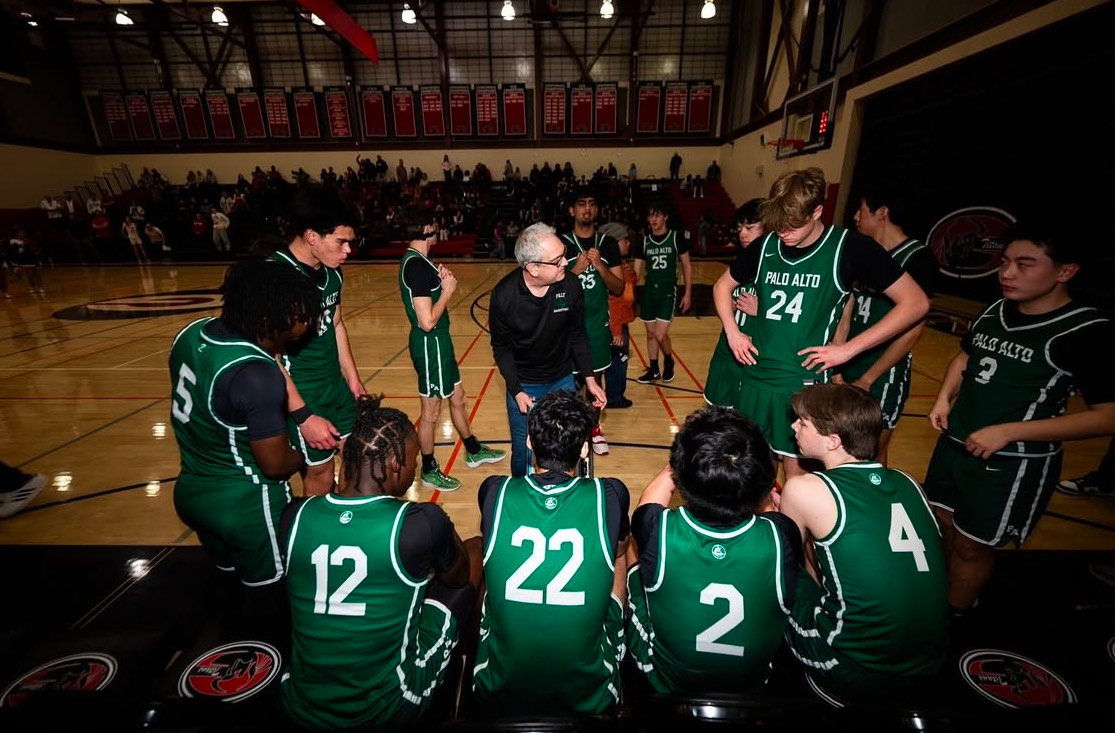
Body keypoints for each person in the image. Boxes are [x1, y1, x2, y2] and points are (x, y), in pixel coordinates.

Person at [923, 222, 1115, 613]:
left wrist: (1009, 432)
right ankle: (935, 602)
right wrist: (944, 398)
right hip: (954, 445)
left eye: (1025, 264)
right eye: (1005, 261)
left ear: (1065, 271)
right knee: (941, 527)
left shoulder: (1087, 331)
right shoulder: (996, 309)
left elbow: (1107, 417)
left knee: (971, 546)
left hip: (1012, 463)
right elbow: (966, 357)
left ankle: (954, 616)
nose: (1007, 273)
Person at [711, 168, 929, 480]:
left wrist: (848, 350)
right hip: (756, 379)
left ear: (817, 211)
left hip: (805, 384)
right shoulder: (765, 247)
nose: (783, 232)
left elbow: (916, 303)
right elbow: (722, 286)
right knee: (751, 475)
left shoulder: (850, 247)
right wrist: (733, 332)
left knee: (799, 480)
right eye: (778, 224)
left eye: (792, 224)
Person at [280, 395, 482, 730]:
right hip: (387, 708)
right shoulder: (420, 522)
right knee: (474, 552)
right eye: (414, 462)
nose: (415, 470)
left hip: (298, 701)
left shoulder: (294, 516)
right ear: (395, 466)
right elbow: (458, 579)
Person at [780, 383, 947, 704]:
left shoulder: (803, 489)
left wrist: (773, 519)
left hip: (855, 670)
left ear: (833, 441)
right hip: (930, 662)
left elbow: (785, 567)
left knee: (773, 568)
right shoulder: (908, 481)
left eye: (803, 422)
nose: (793, 426)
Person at [472, 391, 629, 715]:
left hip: (499, 690)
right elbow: (619, 550)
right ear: (585, 449)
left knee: (483, 548)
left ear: (529, 441)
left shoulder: (494, 491)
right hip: (590, 696)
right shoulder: (610, 493)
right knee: (622, 554)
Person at [169, 260, 322, 588]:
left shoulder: (189, 334)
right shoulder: (257, 375)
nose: (309, 321)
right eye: (301, 314)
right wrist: (302, 454)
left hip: (192, 492)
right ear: (268, 314)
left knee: (227, 586)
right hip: (248, 505)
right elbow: (275, 464)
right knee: (271, 599)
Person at [627, 406, 799, 694]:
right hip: (752, 685)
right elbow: (770, 509)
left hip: (665, 680)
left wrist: (680, 461)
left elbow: (649, 504)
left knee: (631, 558)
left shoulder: (656, 529)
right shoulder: (782, 534)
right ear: (764, 483)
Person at [397, 205, 506, 492]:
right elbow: (427, 320)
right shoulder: (417, 265)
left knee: (458, 398)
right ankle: (429, 469)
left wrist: (442, 280)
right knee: (431, 412)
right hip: (430, 344)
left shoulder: (422, 261)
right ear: (425, 230)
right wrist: (447, 291)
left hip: (440, 345)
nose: (437, 227)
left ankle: (472, 448)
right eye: (433, 224)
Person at [489, 223, 606, 477]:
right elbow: (501, 348)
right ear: (533, 268)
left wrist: (590, 379)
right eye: (557, 260)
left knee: (569, 446)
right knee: (523, 451)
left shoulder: (571, 286)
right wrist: (516, 390)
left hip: (562, 380)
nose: (566, 261)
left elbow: (578, 335)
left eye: (564, 253)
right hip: (523, 385)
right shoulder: (504, 296)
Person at [269, 188, 364, 496]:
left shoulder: (332, 274)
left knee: (356, 462)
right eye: (341, 242)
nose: (348, 249)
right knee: (322, 475)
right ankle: (315, 539)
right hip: (303, 394)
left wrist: (352, 378)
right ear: (311, 236)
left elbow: (335, 323)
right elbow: (268, 356)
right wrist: (303, 415)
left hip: (335, 388)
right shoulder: (275, 278)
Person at [834, 185, 938, 464]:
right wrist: (837, 363)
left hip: (883, 372)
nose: (856, 216)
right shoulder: (861, 251)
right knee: (838, 448)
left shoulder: (918, 258)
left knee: (871, 452)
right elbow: (847, 308)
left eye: (862, 209)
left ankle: (874, 505)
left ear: (882, 212)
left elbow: (912, 331)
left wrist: (869, 378)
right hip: (848, 361)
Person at [561, 186, 626, 455]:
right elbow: (552, 288)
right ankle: (566, 433)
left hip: (597, 329)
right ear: (572, 210)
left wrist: (600, 266)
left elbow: (619, 287)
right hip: (565, 328)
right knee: (565, 387)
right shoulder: (561, 243)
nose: (587, 208)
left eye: (591, 204)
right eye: (581, 204)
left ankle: (594, 429)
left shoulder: (607, 243)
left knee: (594, 385)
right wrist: (575, 270)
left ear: (596, 209)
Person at [704, 199, 763, 409]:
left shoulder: (776, 264)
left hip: (754, 356)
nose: (743, 234)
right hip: (727, 349)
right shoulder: (742, 261)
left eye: (750, 228)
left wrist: (761, 310)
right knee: (716, 413)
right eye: (740, 229)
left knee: (745, 420)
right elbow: (720, 290)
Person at [634, 202, 693, 384]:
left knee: (660, 334)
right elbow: (635, 272)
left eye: (657, 215)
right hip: (649, 292)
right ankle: (653, 369)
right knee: (650, 334)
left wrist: (688, 293)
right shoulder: (643, 241)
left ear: (665, 217)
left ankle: (668, 359)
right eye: (651, 216)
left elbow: (687, 265)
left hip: (668, 292)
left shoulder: (676, 237)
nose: (654, 220)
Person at [599, 222, 636, 409]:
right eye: (624, 240)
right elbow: (612, 302)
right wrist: (616, 331)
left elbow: (628, 292)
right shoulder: (609, 270)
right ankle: (614, 397)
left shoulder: (620, 265)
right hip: (616, 325)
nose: (628, 244)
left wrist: (632, 274)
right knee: (617, 361)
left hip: (620, 322)